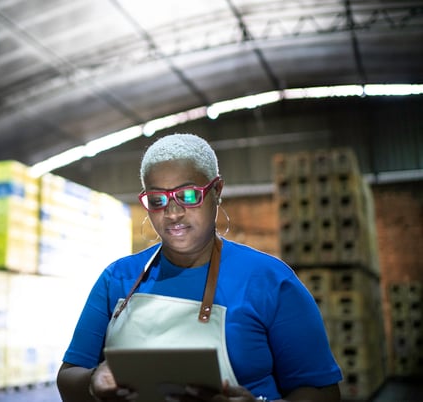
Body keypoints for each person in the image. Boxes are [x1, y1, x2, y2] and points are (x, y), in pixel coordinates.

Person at [56, 133, 342, 402]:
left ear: (217, 190)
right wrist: (95, 381)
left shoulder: (269, 281)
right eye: (158, 200)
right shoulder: (117, 279)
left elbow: (324, 394)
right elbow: (68, 377)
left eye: (189, 195)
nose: (173, 213)